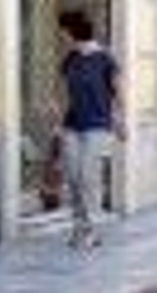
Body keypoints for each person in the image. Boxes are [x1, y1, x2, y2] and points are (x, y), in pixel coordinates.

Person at [58, 12, 122, 249]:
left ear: (73, 31)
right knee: (74, 179)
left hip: (98, 125)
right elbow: (66, 92)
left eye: (63, 31)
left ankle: (92, 230)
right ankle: (79, 227)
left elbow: (117, 92)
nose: (61, 36)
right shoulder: (70, 59)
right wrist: (57, 122)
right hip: (71, 125)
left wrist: (118, 120)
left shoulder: (105, 58)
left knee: (88, 177)